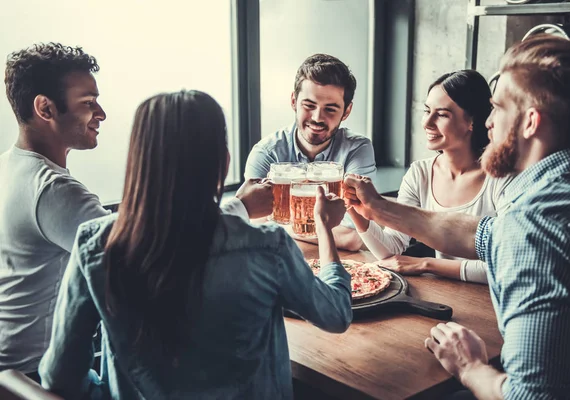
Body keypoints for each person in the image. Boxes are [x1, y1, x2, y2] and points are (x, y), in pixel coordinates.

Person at [38, 90, 352, 399]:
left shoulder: (95, 244)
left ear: (137, 161)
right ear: (223, 162)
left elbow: (59, 376)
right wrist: (323, 225)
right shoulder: (267, 247)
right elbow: (336, 314)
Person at [344, 35, 570, 399]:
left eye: (497, 108)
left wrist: (468, 366)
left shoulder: (532, 229)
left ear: (530, 122)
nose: (489, 123)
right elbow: (478, 233)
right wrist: (378, 208)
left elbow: (533, 397)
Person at [0, 42, 111, 378]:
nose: (102, 114)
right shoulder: (52, 190)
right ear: (45, 108)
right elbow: (141, 247)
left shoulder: (9, 167)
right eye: (89, 103)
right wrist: (238, 208)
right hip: (38, 377)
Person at [349, 70, 511, 284]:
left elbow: (508, 264)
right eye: (427, 111)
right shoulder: (420, 174)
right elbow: (392, 249)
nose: (427, 122)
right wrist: (356, 208)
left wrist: (428, 264)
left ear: (471, 121)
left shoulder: (502, 177)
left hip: (494, 301)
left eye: (442, 114)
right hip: (446, 294)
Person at [245, 53, 376, 251]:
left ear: (346, 111)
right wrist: (322, 230)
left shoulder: (357, 149)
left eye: (330, 109)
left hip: (344, 266)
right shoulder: (266, 153)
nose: (317, 117)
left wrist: (282, 226)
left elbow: (354, 237)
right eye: (309, 105)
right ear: (293, 101)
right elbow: (253, 226)